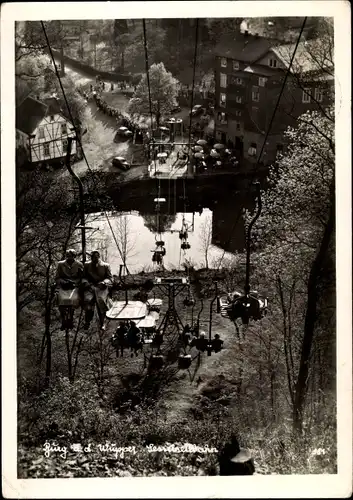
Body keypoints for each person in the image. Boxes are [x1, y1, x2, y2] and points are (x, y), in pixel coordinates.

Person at [82, 250, 113, 330]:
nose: (94, 258)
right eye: (92, 257)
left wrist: (104, 282)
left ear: (99, 256)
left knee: (101, 302)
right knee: (88, 301)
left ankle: (103, 323)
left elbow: (110, 278)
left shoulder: (105, 265)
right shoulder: (87, 265)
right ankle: (87, 322)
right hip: (90, 287)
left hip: (101, 288)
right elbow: (83, 277)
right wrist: (86, 283)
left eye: (96, 257)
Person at [55, 249, 83, 330]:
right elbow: (57, 278)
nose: (69, 258)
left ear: (74, 256)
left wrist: (76, 282)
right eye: (67, 256)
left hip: (74, 286)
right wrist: (64, 282)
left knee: (73, 299)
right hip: (63, 286)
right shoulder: (60, 264)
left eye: (71, 256)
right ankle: (63, 320)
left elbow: (82, 278)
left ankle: (70, 320)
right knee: (61, 300)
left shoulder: (79, 264)